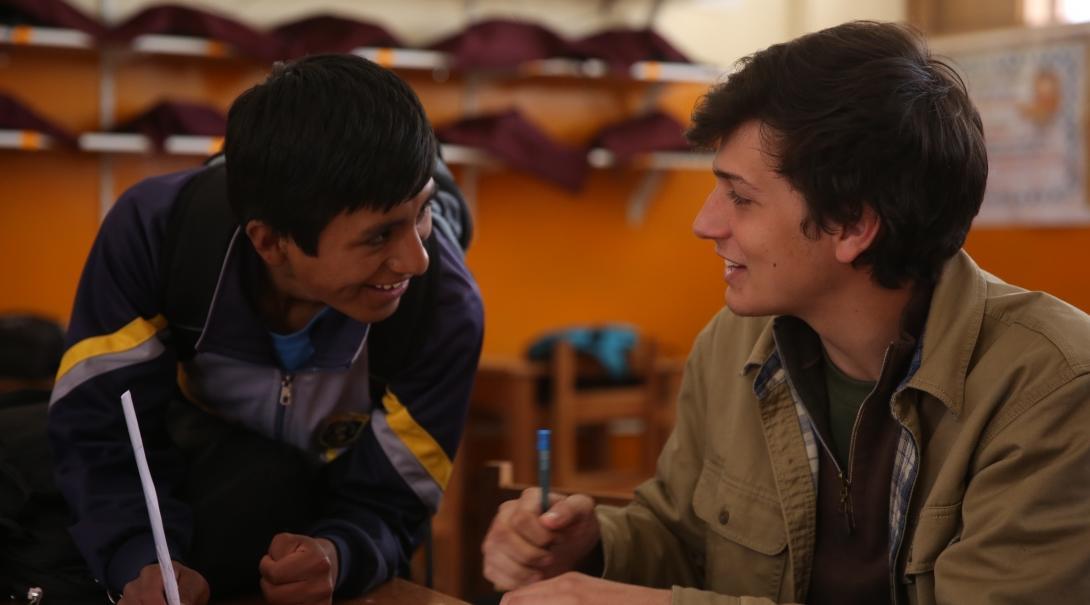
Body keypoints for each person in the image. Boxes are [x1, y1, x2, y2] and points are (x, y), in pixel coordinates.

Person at [482, 20, 1090, 605]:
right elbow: (683, 541)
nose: (705, 223)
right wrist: (593, 548)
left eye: (740, 197)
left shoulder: (1053, 389)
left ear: (852, 224)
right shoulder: (732, 345)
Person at [48, 54, 484, 605]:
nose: (415, 260)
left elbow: (393, 502)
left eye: (423, 212)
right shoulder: (155, 238)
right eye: (379, 237)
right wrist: (140, 558)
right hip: (188, 507)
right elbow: (101, 431)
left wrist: (337, 555)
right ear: (271, 243)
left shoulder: (443, 309)